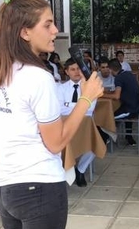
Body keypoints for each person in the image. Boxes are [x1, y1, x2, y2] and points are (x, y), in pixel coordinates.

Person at [0, 0, 103, 229]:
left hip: (3, 186)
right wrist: (87, 98)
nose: (55, 30)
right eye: (47, 24)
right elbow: (56, 142)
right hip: (37, 188)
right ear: (24, 32)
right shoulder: (38, 76)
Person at [57, 59, 98, 187]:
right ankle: (63, 172)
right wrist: (80, 105)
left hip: (85, 126)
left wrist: (69, 105)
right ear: (66, 72)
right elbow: (59, 109)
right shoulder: (60, 88)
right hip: (64, 126)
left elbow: (89, 109)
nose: (76, 72)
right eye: (72, 69)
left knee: (95, 144)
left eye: (79, 69)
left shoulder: (90, 88)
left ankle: (80, 170)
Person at [103, 58, 139, 146]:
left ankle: (105, 140)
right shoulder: (128, 74)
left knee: (105, 117)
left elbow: (116, 96)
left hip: (130, 110)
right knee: (116, 110)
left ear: (110, 69)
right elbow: (122, 91)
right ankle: (128, 137)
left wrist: (100, 95)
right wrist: (109, 93)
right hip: (135, 106)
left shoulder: (119, 78)